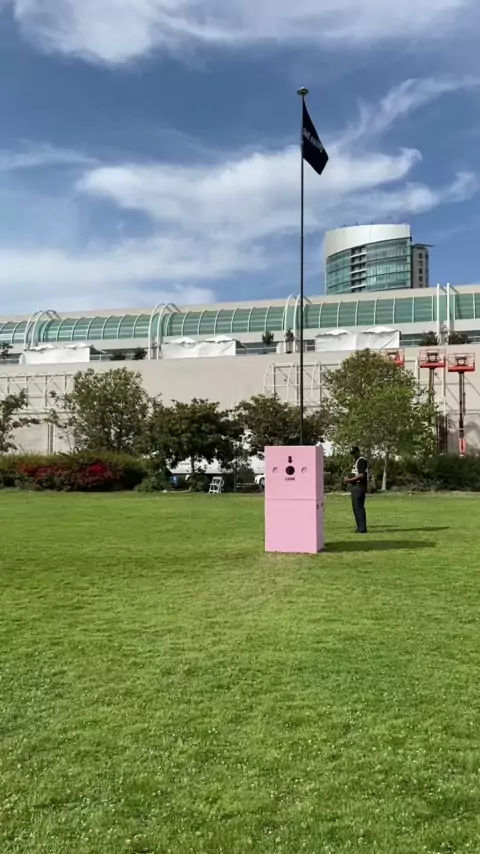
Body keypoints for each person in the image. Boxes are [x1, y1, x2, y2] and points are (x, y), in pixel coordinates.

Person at [345, 446, 368, 534]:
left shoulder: (361, 460)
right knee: (356, 508)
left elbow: (361, 475)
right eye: (352, 454)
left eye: (354, 453)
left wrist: (349, 480)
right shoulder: (357, 461)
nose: (353, 455)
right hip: (355, 486)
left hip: (359, 486)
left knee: (358, 508)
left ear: (358, 451)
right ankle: (360, 527)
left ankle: (362, 528)